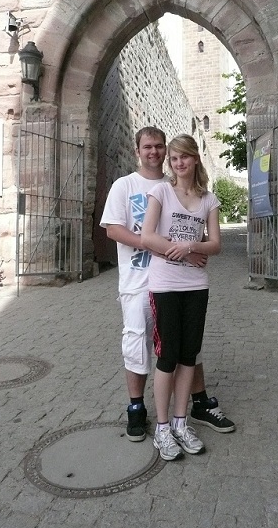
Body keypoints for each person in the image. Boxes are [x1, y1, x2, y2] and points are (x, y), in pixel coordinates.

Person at [100, 127, 234, 444]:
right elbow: (114, 230)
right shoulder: (125, 185)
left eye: (160, 147)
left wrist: (191, 247)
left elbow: (195, 231)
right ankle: (136, 407)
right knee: (137, 340)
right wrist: (169, 249)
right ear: (138, 150)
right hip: (138, 279)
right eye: (148, 147)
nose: (155, 152)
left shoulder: (174, 184)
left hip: (178, 279)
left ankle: (197, 402)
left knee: (188, 345)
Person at [141, 133, 221, 460]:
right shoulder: (161, 191)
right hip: (165, 285)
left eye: (184, 157)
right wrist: (186, 252)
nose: (178, 163)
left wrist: (192, 246)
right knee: (168, 356)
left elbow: (215, 244)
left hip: (196, 286)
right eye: (173, 158)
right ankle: (162, 428)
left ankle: (180, 422)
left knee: (189, 355)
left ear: (195, 158)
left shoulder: (208, 200)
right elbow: (147, 237)